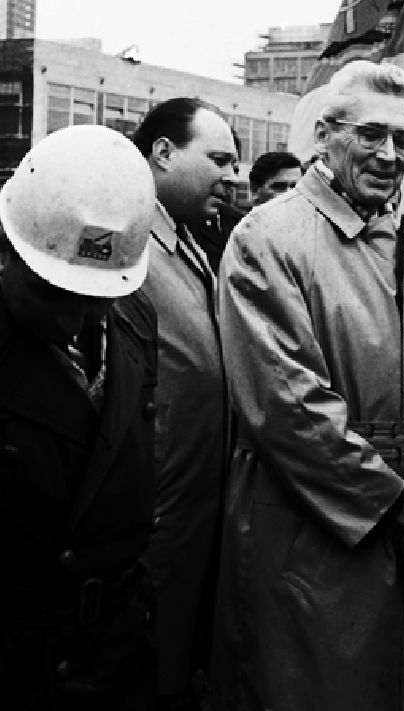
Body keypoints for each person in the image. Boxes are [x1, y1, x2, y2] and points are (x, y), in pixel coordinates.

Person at [212, 60, 404, 711]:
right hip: (312, 528)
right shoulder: (268, 238)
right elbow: (288, 406)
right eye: (371, 134)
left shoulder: (398, 240)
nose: (389, 155)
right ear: (326, 133)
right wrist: (396, 506)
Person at [0, 125, 159, 709]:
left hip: (115, 657)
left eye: (93, 298)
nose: (74, 320)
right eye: (54, 294)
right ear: (6, 248)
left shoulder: (136, 318)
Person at [132, 98, 239, 710]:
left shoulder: (188, 240)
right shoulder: (125, 241)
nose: (232, 175)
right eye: (218, 158)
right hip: (155, 521)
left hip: (194, 517)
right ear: (164, 153)